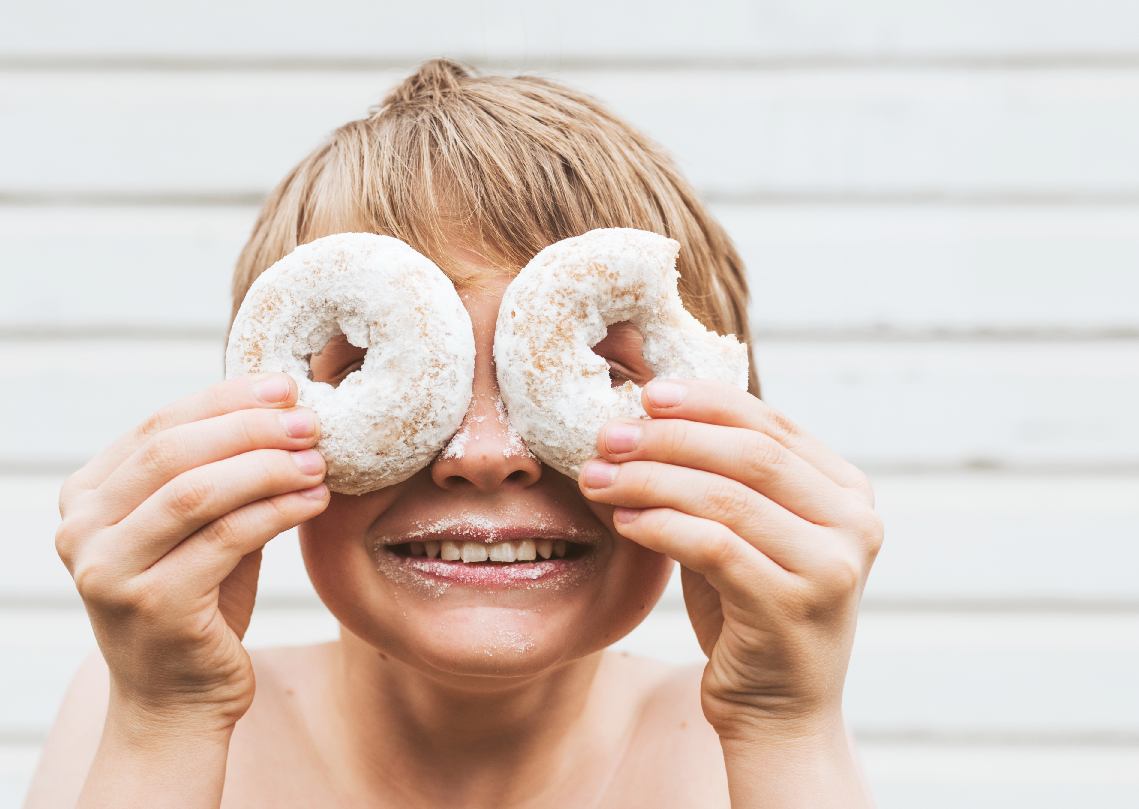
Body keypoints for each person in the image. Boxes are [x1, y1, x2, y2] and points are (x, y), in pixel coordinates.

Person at [25, 59, 882, 808]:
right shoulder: (144, 708)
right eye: (366, 368)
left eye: (603, 370)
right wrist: (164, 719)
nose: (485, 455)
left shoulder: (745, 747)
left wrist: (785, 724)